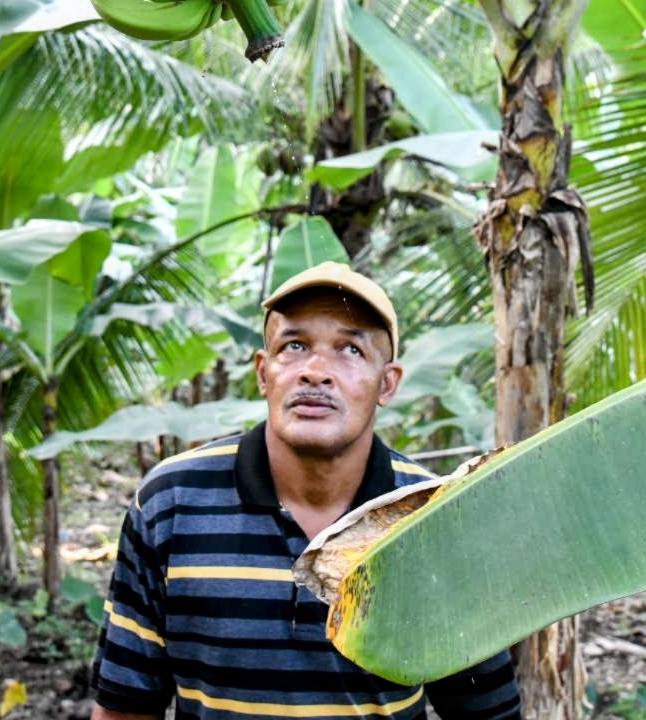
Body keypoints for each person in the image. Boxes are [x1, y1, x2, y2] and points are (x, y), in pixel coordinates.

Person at [89, 262, 522, 720]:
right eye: (294, 346)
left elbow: (486, 711)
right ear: (263, 372)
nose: (316, 371)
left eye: (350, 350)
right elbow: (125, 707)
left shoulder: (435, 516)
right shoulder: (171, 502)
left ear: (387, 383)